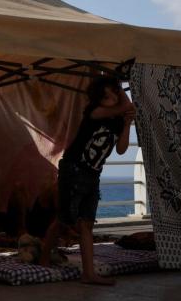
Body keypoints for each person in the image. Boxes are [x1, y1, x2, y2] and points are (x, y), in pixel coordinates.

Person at [39, 76, 135, 284]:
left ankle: (88, 273)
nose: (111, 99)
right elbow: (126, 106)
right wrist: (123, 101)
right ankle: (44, 259)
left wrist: (127, 124)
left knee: (87, 224)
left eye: (113, 95)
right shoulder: (93, 112)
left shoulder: (117, 120)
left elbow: (121, 149)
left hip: (93, 174)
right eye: (106, 96)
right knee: (64, 219)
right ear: (98, 99)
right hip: (73, 169)